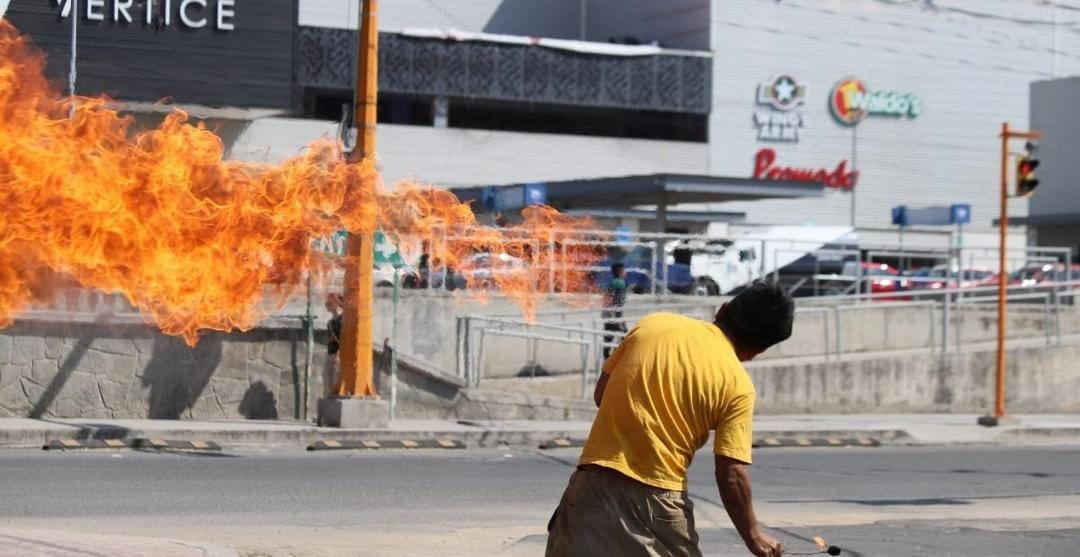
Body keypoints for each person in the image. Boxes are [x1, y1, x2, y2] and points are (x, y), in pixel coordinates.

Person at [546, 280, 795, 557]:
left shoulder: (653, 324)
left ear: (722, 309)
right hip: (657, 501)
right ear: (757, 350)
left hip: (589, 488)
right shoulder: (738, 386)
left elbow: (601, 395)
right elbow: (731, 475)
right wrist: (754, 535)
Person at [601, 263, 628, 359]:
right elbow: (618, 301)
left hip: (606, 312)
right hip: (613, 314)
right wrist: (619, 317)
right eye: (624, 270)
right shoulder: (620, 283)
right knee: (625, 334)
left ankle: (607, 357)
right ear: (620, 272)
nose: (626, 272)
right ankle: (615, 357)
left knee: (609, 336)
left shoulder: (612, 282)